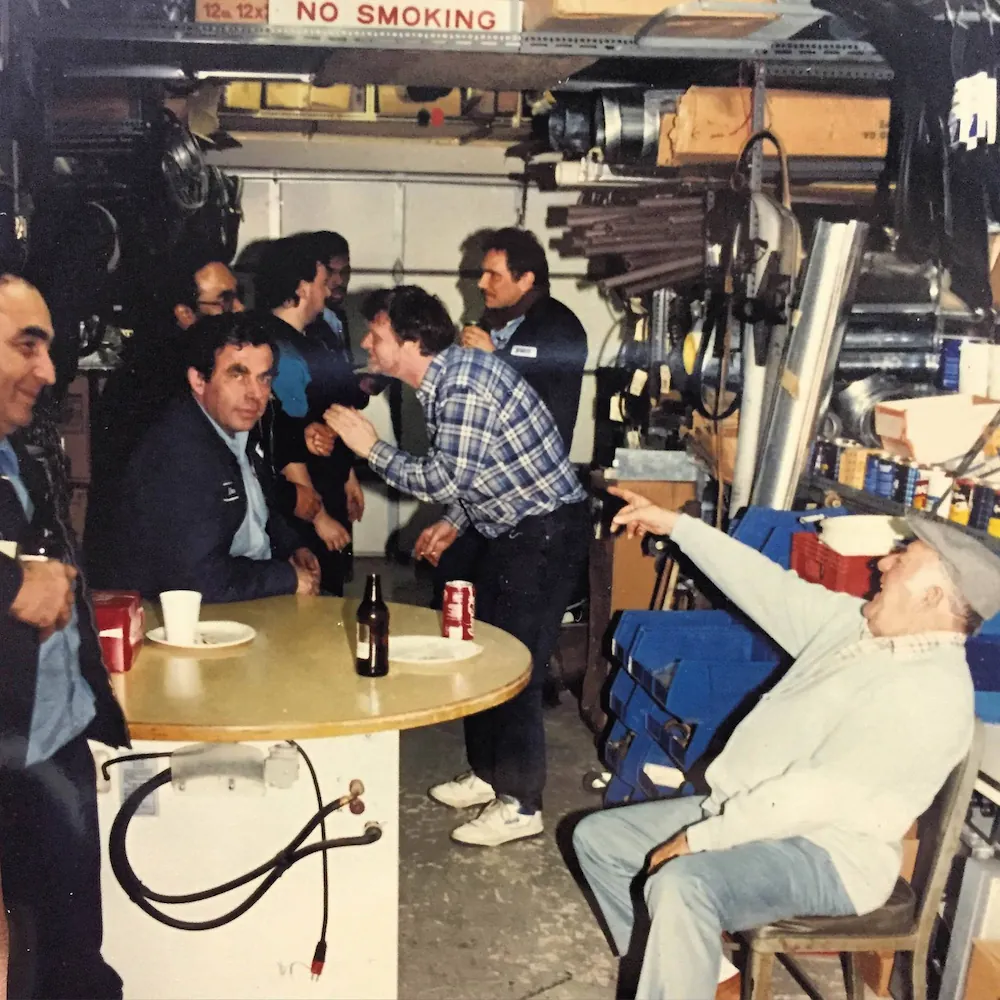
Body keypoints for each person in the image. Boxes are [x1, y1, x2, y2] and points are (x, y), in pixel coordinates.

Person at [571, 487, 994, 1000]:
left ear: (932, 598)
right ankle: (705, 981)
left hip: (829, 852)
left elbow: (817, 796)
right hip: (756, 813)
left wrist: (703, 839)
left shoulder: (927, 691)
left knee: (683, 884)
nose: (884, 562)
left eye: (902, 560)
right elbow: (766, 587)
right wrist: (678, 527)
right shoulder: (860, 630)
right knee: (599, 842)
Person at [325, 285, 589, 847]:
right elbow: (481, 469)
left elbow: (445, 477)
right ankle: (491, 775)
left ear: (412, 341)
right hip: (514, 527)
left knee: (514, 668)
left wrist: (369, 447)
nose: (367, 343)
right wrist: (458, 520)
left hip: (544, 534)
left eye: (377, 335)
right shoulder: (448, 378)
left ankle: (520, 804)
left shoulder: (463, 383)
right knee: (482, 655)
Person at [0, 274, 129, 997]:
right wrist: (13, 585)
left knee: (74, 962)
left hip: (51, 746)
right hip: (16, 763)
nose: (48, 372)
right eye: (28, 345)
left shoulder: (11, 450)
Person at [112, 311, 320, 602]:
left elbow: (256, 504)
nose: (255, 395)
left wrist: (292, 548)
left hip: (243, 598)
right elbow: (197, 580)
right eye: (238, 375)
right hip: (199, 616)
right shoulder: (178, 453)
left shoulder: (233, 428)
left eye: (264, 379)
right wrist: (286, 578)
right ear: (198, 380)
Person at [441, 227, 588, 604]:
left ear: (526, 280)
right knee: (452, 590)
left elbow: (538, 397)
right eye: (482, 273)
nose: (481, 283)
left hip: (530, 501)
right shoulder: (495, 322)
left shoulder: (561, 328)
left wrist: (495, 359)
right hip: (486, 490)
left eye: (494, 275)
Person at [85, 254, 245, 586]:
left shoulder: (162, 363)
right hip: (155, 577)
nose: (239, 309)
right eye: (225, 301)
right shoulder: (170, 378)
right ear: (185, 313)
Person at [255, 235, 359, 594]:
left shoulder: (304, 341)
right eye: (320, 281)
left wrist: (346, 477)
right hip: (301, 512)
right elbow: (286, 441)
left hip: (319, 493)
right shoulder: (284, 350)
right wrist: (321, 518)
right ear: (302, 288)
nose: (327, 289)